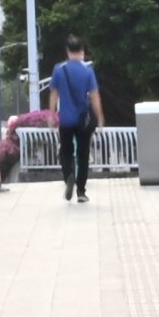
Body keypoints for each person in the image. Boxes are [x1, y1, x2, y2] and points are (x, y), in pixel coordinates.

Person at [49, 41, 104, 203]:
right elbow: (94, 96)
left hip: (65, 120)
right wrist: (100, 117)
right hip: (84, 121)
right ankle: (81, 191)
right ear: (82, 51)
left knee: (65, 152)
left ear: (67, 50)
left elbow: (54, 94)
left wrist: (51, 115)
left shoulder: (59, 70)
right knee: (83, 154)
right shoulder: (87, 71)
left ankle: (69, 177)